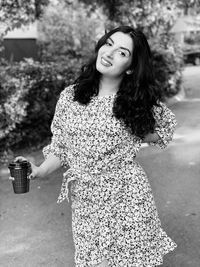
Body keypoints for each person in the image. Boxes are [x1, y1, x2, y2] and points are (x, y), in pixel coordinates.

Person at [13, 26, 177, 267]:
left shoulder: (135, 102)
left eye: (122, 52)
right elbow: (61, 147)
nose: (109, 53)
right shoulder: (70, 97)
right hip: (86, 201)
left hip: (128, 199)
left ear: (130, 67)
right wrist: (39, 171)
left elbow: (166, 127)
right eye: (108, 44)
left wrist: (136, 132)